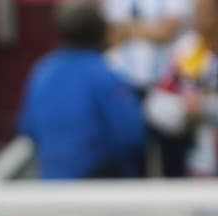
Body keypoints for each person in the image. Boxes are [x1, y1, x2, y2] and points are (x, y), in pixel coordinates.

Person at [18, 1, 148, 179]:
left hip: (52, 187)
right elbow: (131, 135)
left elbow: (28, 127)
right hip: (96, 190)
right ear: (102, 32)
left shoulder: (42, 72)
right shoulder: (106, 77)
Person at [105, 0, 194, 175]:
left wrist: (128, 28)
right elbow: (108, 35)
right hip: (125, 86)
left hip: (167, 86)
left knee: (172, 156)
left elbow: (165, 32)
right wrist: (150, 29)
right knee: (132, 155)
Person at [145, 0, 218, 175]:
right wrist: (184, 113)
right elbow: (157, 101)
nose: (197, 18)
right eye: (196, 11)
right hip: (195, 150)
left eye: (204, 12)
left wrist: (205, 107)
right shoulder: (186, 47)